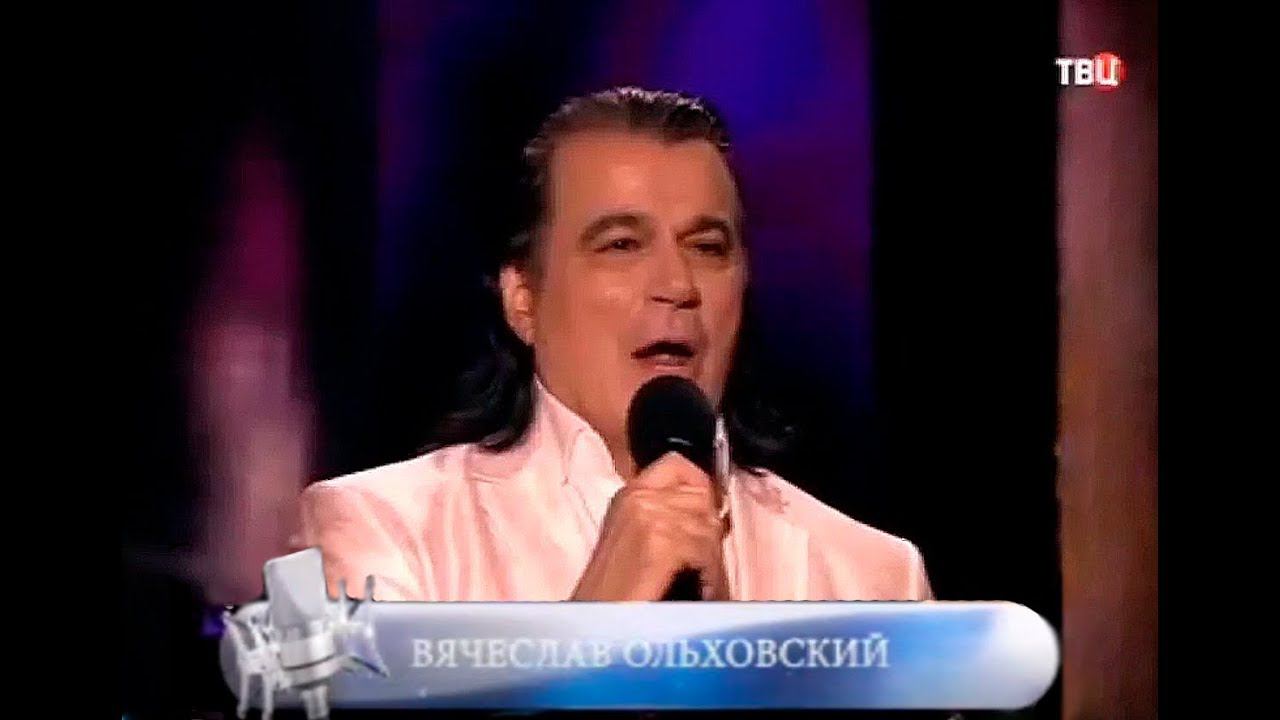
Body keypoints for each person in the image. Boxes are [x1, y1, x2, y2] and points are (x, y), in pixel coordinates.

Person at [300, 87, 932, 602]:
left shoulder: (873, 576)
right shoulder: (380, 531)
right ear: (523, 298)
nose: (677, 286)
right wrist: (603, 615)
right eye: (622, 245)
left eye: (707, 247)